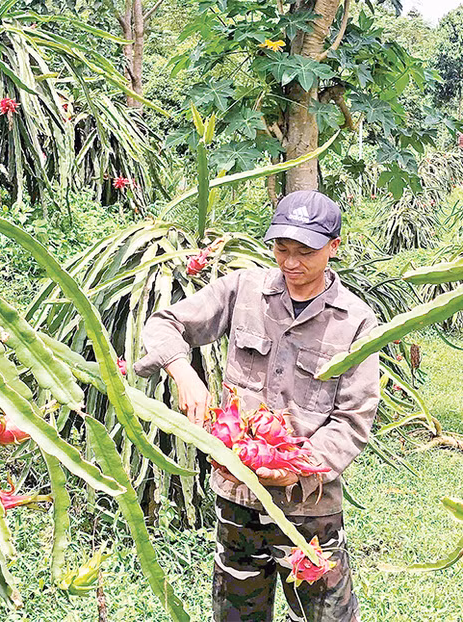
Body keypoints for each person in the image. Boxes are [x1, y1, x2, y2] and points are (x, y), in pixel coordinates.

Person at [135, 190, 380, 622]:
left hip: (307, 506)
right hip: (238, 498)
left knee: (327, 616)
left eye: (305, 252)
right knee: (236, 614)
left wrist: (298, 467)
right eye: (281, 249)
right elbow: (164, 324)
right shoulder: (244, 290)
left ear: (334, 248)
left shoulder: (355, 321)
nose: (290, 263)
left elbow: (354, 418)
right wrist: (183, 371)